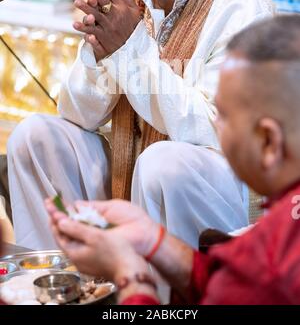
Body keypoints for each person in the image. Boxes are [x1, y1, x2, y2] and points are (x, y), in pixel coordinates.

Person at [8, 0, 275, 250]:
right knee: (35, 135)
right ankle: (64, 280)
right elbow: (76, 114)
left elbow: (212, 132)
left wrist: (130, 48)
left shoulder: (244, 8)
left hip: (205, 190)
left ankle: (170, 295)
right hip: (125, 176)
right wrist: (100, 55)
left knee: (164, 163)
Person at [47, 15, 300, 305]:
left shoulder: (278, 258)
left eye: (224, 116)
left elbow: (242, 284)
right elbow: (229, 276)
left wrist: (131, 273)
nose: (217, 125)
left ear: (269, 141)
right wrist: (152, 240)